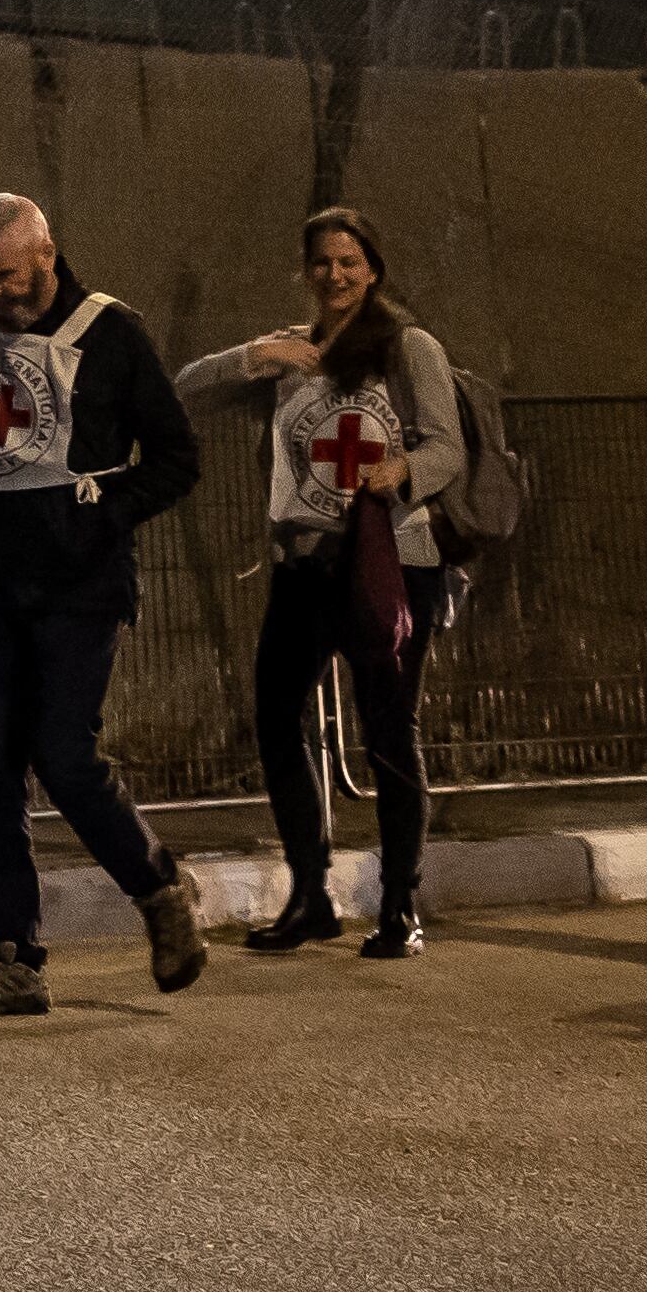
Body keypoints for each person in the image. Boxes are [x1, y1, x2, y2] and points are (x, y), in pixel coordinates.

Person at [0, 189, 209, 1019]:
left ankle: (159, 889)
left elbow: (177, 456)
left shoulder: (113, 334)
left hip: (81, 589)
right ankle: (10, 958)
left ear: (48, 253)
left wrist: (101, 513)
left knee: (63, 754)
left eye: (9, 277)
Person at [177, 205, 465, 959]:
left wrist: (402, 471)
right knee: (276, 716)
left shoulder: (408, 348)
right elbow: (185, 389)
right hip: (303, 565)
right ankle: (312, 895)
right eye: (321, 263)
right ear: (306, 272)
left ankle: (400, 907)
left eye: (349, 262)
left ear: (372, 267)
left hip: (390, 564)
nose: (334, 276)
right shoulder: (290, 354)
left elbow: (447, 448)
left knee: (389, 732)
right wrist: (255, 353)